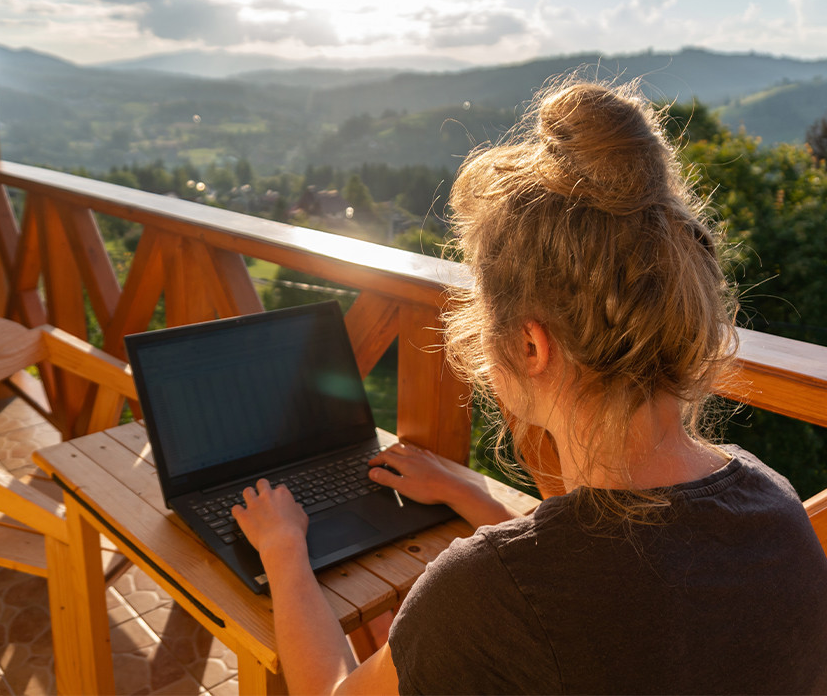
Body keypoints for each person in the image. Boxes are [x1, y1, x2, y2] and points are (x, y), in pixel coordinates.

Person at [231, 79, 827, 694]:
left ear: (529, 345)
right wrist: (481, 503)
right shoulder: (777, 509)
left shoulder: (484, 593)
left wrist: (282, 550)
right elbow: (629, 585)